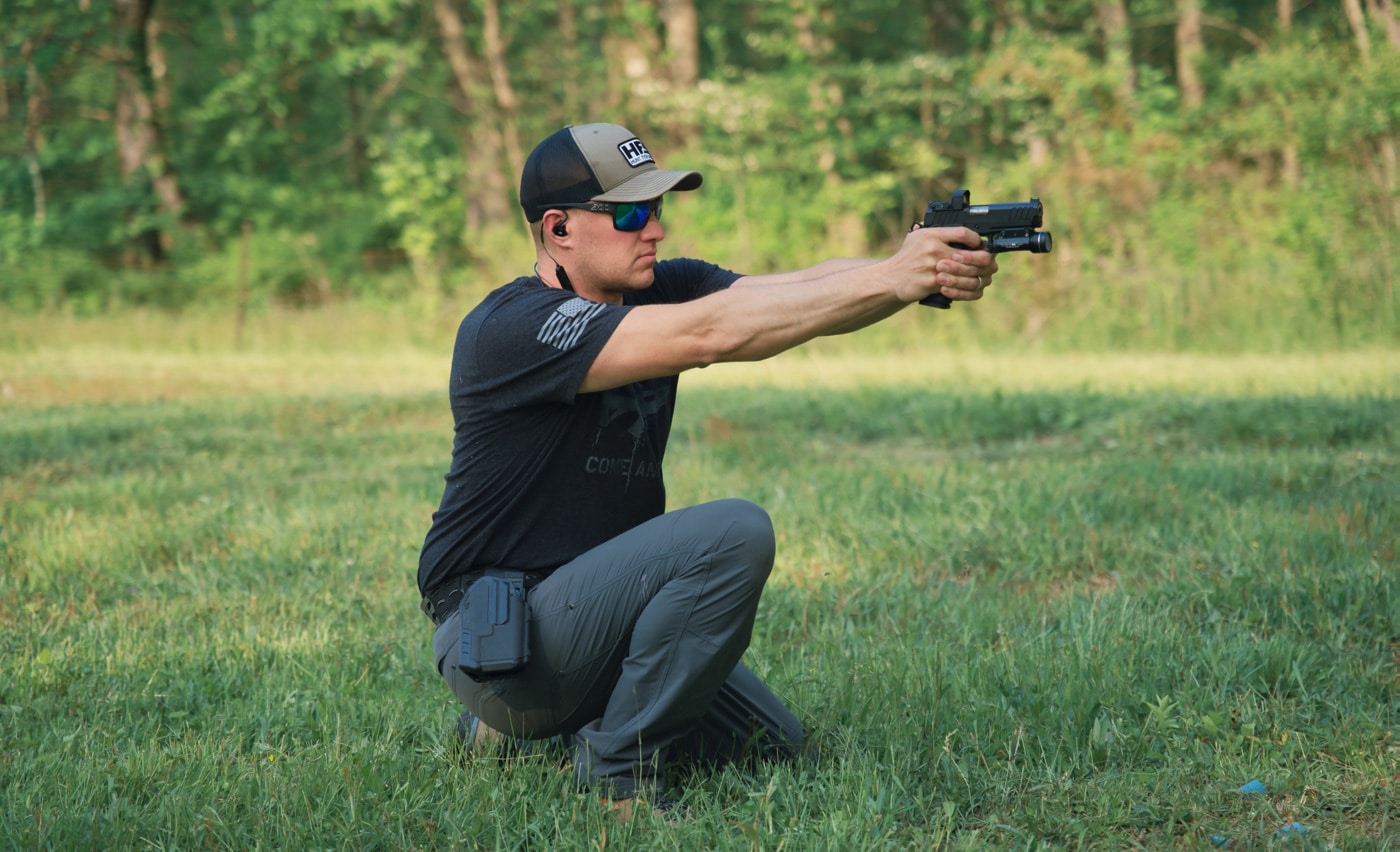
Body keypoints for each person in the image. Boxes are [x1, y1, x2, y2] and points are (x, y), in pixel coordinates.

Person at [417, 122, 998, 815]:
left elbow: (795, 290)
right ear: (559, 229)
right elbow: (713, 333)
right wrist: (898, 275)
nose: (653, 230)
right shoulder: (514, 328)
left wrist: (909, 266)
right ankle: (616, 777)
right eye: (631, 214)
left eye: (657, 208)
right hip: (499, 636)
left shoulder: (663, 288)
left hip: (595, 621)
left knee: (771, 746)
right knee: (733, 532)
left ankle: (511, 732)